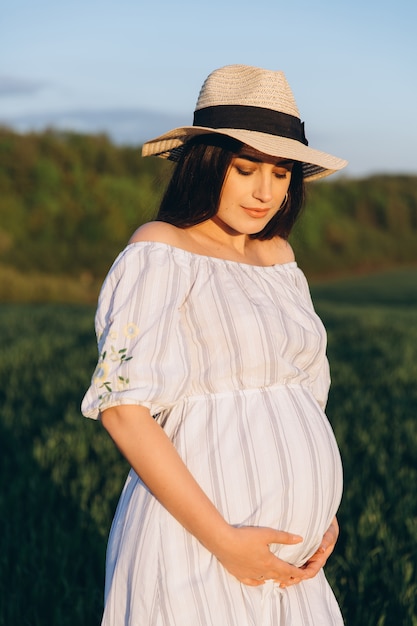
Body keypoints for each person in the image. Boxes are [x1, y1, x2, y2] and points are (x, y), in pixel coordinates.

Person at [82, 64, 348, 626]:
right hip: (198, 548)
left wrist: (322, 512)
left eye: (281, 173)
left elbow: (306, 397)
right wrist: (224, 540)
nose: (265, 192)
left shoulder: (279, 258)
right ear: (205, 165)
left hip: (294, 558)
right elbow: (123, 410)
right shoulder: (159, 251)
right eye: (246, 168)